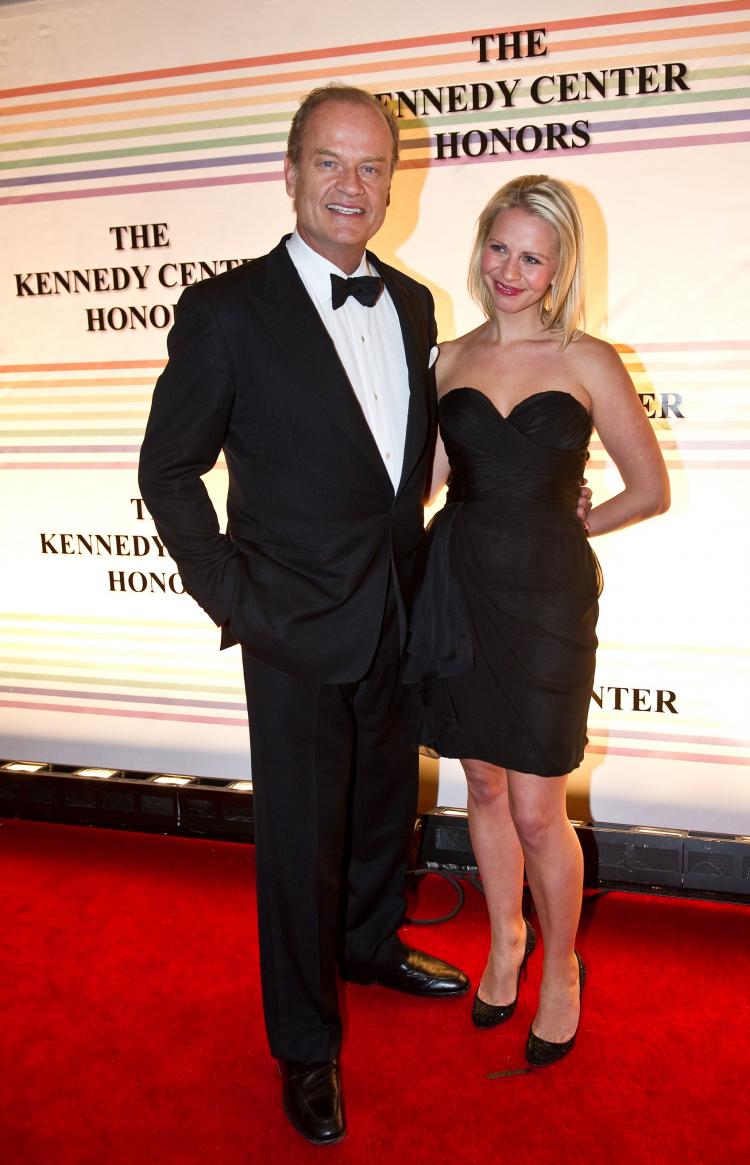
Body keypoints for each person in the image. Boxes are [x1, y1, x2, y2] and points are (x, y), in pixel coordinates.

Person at [138, 85, 472, 1147]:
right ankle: (304, 1042)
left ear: (392, 183)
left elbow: (394, 467)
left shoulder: (415, 304)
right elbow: (170, 471)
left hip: (395, 610)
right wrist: (236, 597)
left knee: (384, 803)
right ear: (289, 174)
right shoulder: (228, 311)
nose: (353, 186)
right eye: (331, 163)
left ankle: (372, 941)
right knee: (299, 841)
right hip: (290, 624)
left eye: (372, 167)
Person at [404, 175, 670, 1067]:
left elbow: (649, 487)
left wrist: (571, 522)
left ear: (558, 269)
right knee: (480, 784)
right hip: (462, 584)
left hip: (549, 595)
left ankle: (561, 966)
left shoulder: (589, 359)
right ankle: (504, 940)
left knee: (536, 801)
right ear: (480, 246)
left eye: (532, 256)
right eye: (499, 248)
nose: (510, 270)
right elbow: (428, 482)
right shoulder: (443, 359)